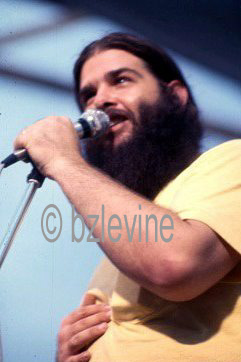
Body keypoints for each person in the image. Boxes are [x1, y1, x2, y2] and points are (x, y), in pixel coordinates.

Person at [14, 33, 241, 361]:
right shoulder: (119, 247)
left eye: (120, 80)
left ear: (175, 96)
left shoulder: (232, 160)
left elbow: (174, 264)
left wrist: (64, 160)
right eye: (88, 94)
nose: (99, 102)